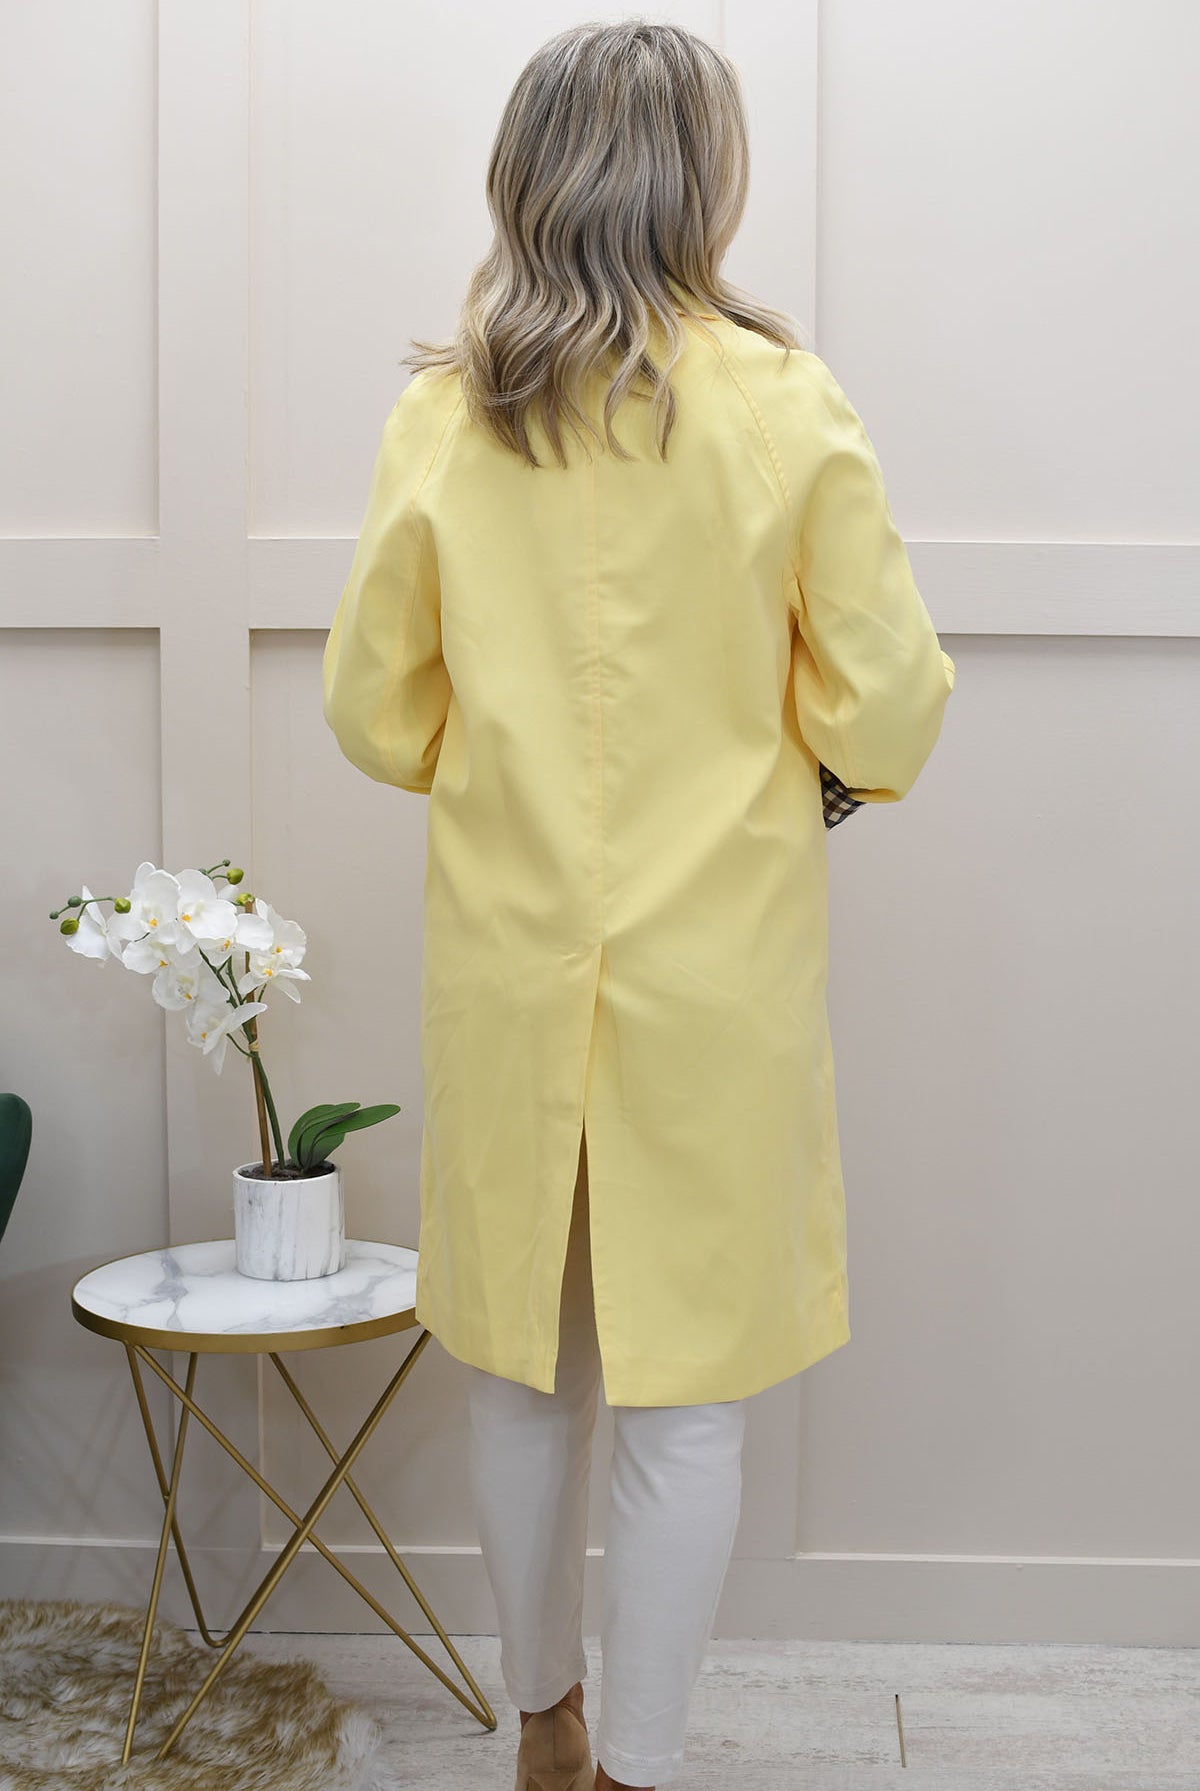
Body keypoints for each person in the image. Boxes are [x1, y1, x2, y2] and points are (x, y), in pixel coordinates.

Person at [322, 19, 956, 1789]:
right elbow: (891, 702)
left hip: (511, 953)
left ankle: (545, 1728)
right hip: (717, 969)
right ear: (704, 179)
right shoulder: (779, 402)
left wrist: (499, 773)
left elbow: (372, 710)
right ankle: (644, 1768)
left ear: (524, 174)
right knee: (689, 1403)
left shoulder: (446, 415)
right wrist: (816, 779)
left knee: (526, 1374)